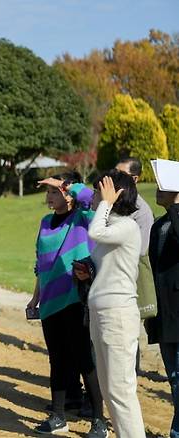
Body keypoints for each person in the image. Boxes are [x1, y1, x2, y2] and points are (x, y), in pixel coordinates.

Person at [27, 172, 105, 436]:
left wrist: (68, 186)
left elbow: (93, 199)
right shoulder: (45, 222)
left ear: (67, 196)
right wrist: (36, 296)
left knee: (85, 359)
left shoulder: (83, 218)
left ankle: (99, 421)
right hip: (49, 302)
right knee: (57, 360)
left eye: (53, 193)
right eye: (47, 193)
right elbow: (41, 263)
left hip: (75, 299)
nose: (48, 197)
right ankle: (58, 417)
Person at [85, 170, 145, 437]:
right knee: (110, 391)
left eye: (99, 191)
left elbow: (95, 231)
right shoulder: (113, 226)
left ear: (115, 194)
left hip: (118, 314)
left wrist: (106, 203)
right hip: (102, 311)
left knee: (121, 391)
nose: (95, 196)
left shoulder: (127, 226)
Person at [115, 157, 155, 375]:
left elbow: (140, 250)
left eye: (121, 175)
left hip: (130, 278)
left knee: (128, 329)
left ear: (135, 179)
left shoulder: (142, 211)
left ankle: (131, 372)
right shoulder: (111, 203)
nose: (115, 179)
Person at [145, 184, 179, 438]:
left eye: (165, 186)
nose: (158, 191)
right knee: (175, 378)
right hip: (165, 314)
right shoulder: (159, 225)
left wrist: (177, 206)